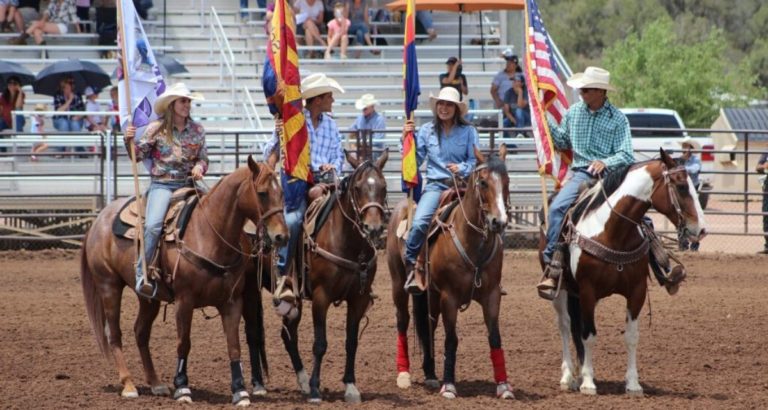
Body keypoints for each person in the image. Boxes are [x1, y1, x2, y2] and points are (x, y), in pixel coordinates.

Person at [536, 66, 634, 299]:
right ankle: (552, 262)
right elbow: (561, 140)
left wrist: (606, 161)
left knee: (639, 216)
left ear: (601, 91)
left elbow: (627, 154)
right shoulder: (573, 113)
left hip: (612, 176)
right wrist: (543, 119)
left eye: (587, 89)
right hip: (581, 174)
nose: (581, 93)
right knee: (558, 207)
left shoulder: (618, 119)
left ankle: (660, 264)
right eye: (581, 89)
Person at [262, 72, 345, 305]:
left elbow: (339, 154)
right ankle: (283, 273)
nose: (333, 100)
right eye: (329, 96)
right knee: (294, 220)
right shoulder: (293, 121)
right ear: (318, 99)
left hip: (328, 180)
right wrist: (278, 131)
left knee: (354, 211)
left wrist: (334, 166)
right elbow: (269, 152)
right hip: (300, 182)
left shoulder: (331, 124)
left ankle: (360, 273)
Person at [123, 82, 208, 298]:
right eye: (183, 101)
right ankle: (143, 273)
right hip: (162, 185)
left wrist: (199, 167)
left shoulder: (197, 130)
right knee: (152, 226)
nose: (187, 105)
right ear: (172, 105)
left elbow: (203, 158)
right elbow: (138, 155)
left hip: (189, 184)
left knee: (213, 216)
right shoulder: (156, 129)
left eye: (188, 101)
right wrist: (128, 140)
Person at [403, 87, 479, 294]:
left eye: (448, 105)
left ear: (456, 109)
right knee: (419, 224)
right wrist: (406, 141)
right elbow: (415, 161)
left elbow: (475, 161)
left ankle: (489, 272)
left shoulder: (469, 131)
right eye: (441, 104)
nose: (444, 108)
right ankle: (410, 264)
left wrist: (461, 168)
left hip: (464, 186)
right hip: (436, 186)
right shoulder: (426, 130)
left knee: (488, 221)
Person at [10, 0, 79, 46]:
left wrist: (79, 31)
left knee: (36, 24)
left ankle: (21, 39)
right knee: (36, 31)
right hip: (51, 24)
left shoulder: (69, 1)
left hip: (61, 26)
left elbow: (73, 16)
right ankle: (44, 54)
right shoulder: (53, 2)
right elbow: (47, 12)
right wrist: (43, 21)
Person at [676, 137, 701, 251]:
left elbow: (695, 169)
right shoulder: (680, 160)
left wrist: (682, 168)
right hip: (682, 190)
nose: (684, 149)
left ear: (691, 148)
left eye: (686, 146)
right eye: (683, 146)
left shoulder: (695, 160)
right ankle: (683, 242)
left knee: (693, 216)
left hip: (692, 190)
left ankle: (694, 244)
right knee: (680, 215)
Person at [52, 76, 85, 153]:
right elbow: (58, 111)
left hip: (75, 119)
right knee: (64, 124)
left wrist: (78, 116)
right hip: (59, 119)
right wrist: (69, 100)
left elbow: (83, 111)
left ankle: (79, 149)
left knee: (75, 124)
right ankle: (61, 150)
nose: (66, 89)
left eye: (68, 87)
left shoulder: (77, 95)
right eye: (64, 87)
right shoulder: (58, 95)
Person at [349, 93, 386, 158]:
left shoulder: (379, 120)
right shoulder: (360, 118)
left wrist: (363, 143)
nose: (363, 109)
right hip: (361, 147)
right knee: (351, 154)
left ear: (372, 106)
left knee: (372, 152)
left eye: (365, 108)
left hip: (373, 148)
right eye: (363, 108)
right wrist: (353, 144)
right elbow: (350, 130)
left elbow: (379, 140)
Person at [502, 72, 530, 137]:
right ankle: (509, 144)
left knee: (518, 111)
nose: (514, 82)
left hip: (525, 118)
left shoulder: (526, 92)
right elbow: (507, 111)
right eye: (513, 80)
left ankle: (520, 133)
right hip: (513, 117)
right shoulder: (508, 92)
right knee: (503, 123)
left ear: (522, 83)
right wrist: (513, 119)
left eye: (517, 81)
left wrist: (520, 92)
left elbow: (520, 106)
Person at [756, 152, 768, 254]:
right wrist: (765, 165)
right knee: (766, 215)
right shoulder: (766, 153)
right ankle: (767, 246)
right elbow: (758, 167)